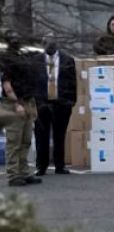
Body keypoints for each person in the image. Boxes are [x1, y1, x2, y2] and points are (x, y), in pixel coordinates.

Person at [0, 35, 42, 186]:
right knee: (14, 141)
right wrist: (16, 104)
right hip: (14, 103)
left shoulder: (23, 57)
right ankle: (13, 174)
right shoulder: (7, 60)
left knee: (26, 140)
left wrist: (32, 106)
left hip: (28, 100)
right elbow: (7, 84)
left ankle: (24, 172)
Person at [34, 33, 76, 175]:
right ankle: (41, 166)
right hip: (42, 103)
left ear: (57, 44)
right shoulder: (36, 61)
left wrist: (71, 101)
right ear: (42, 44)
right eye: (46, 44)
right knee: (41, 135)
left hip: (61, 103)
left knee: (59, 135)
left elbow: (72, 83)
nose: (49, 47)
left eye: (52, 44)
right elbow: (34, 83)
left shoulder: (68, 60)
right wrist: (37, 102)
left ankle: (60, 165)